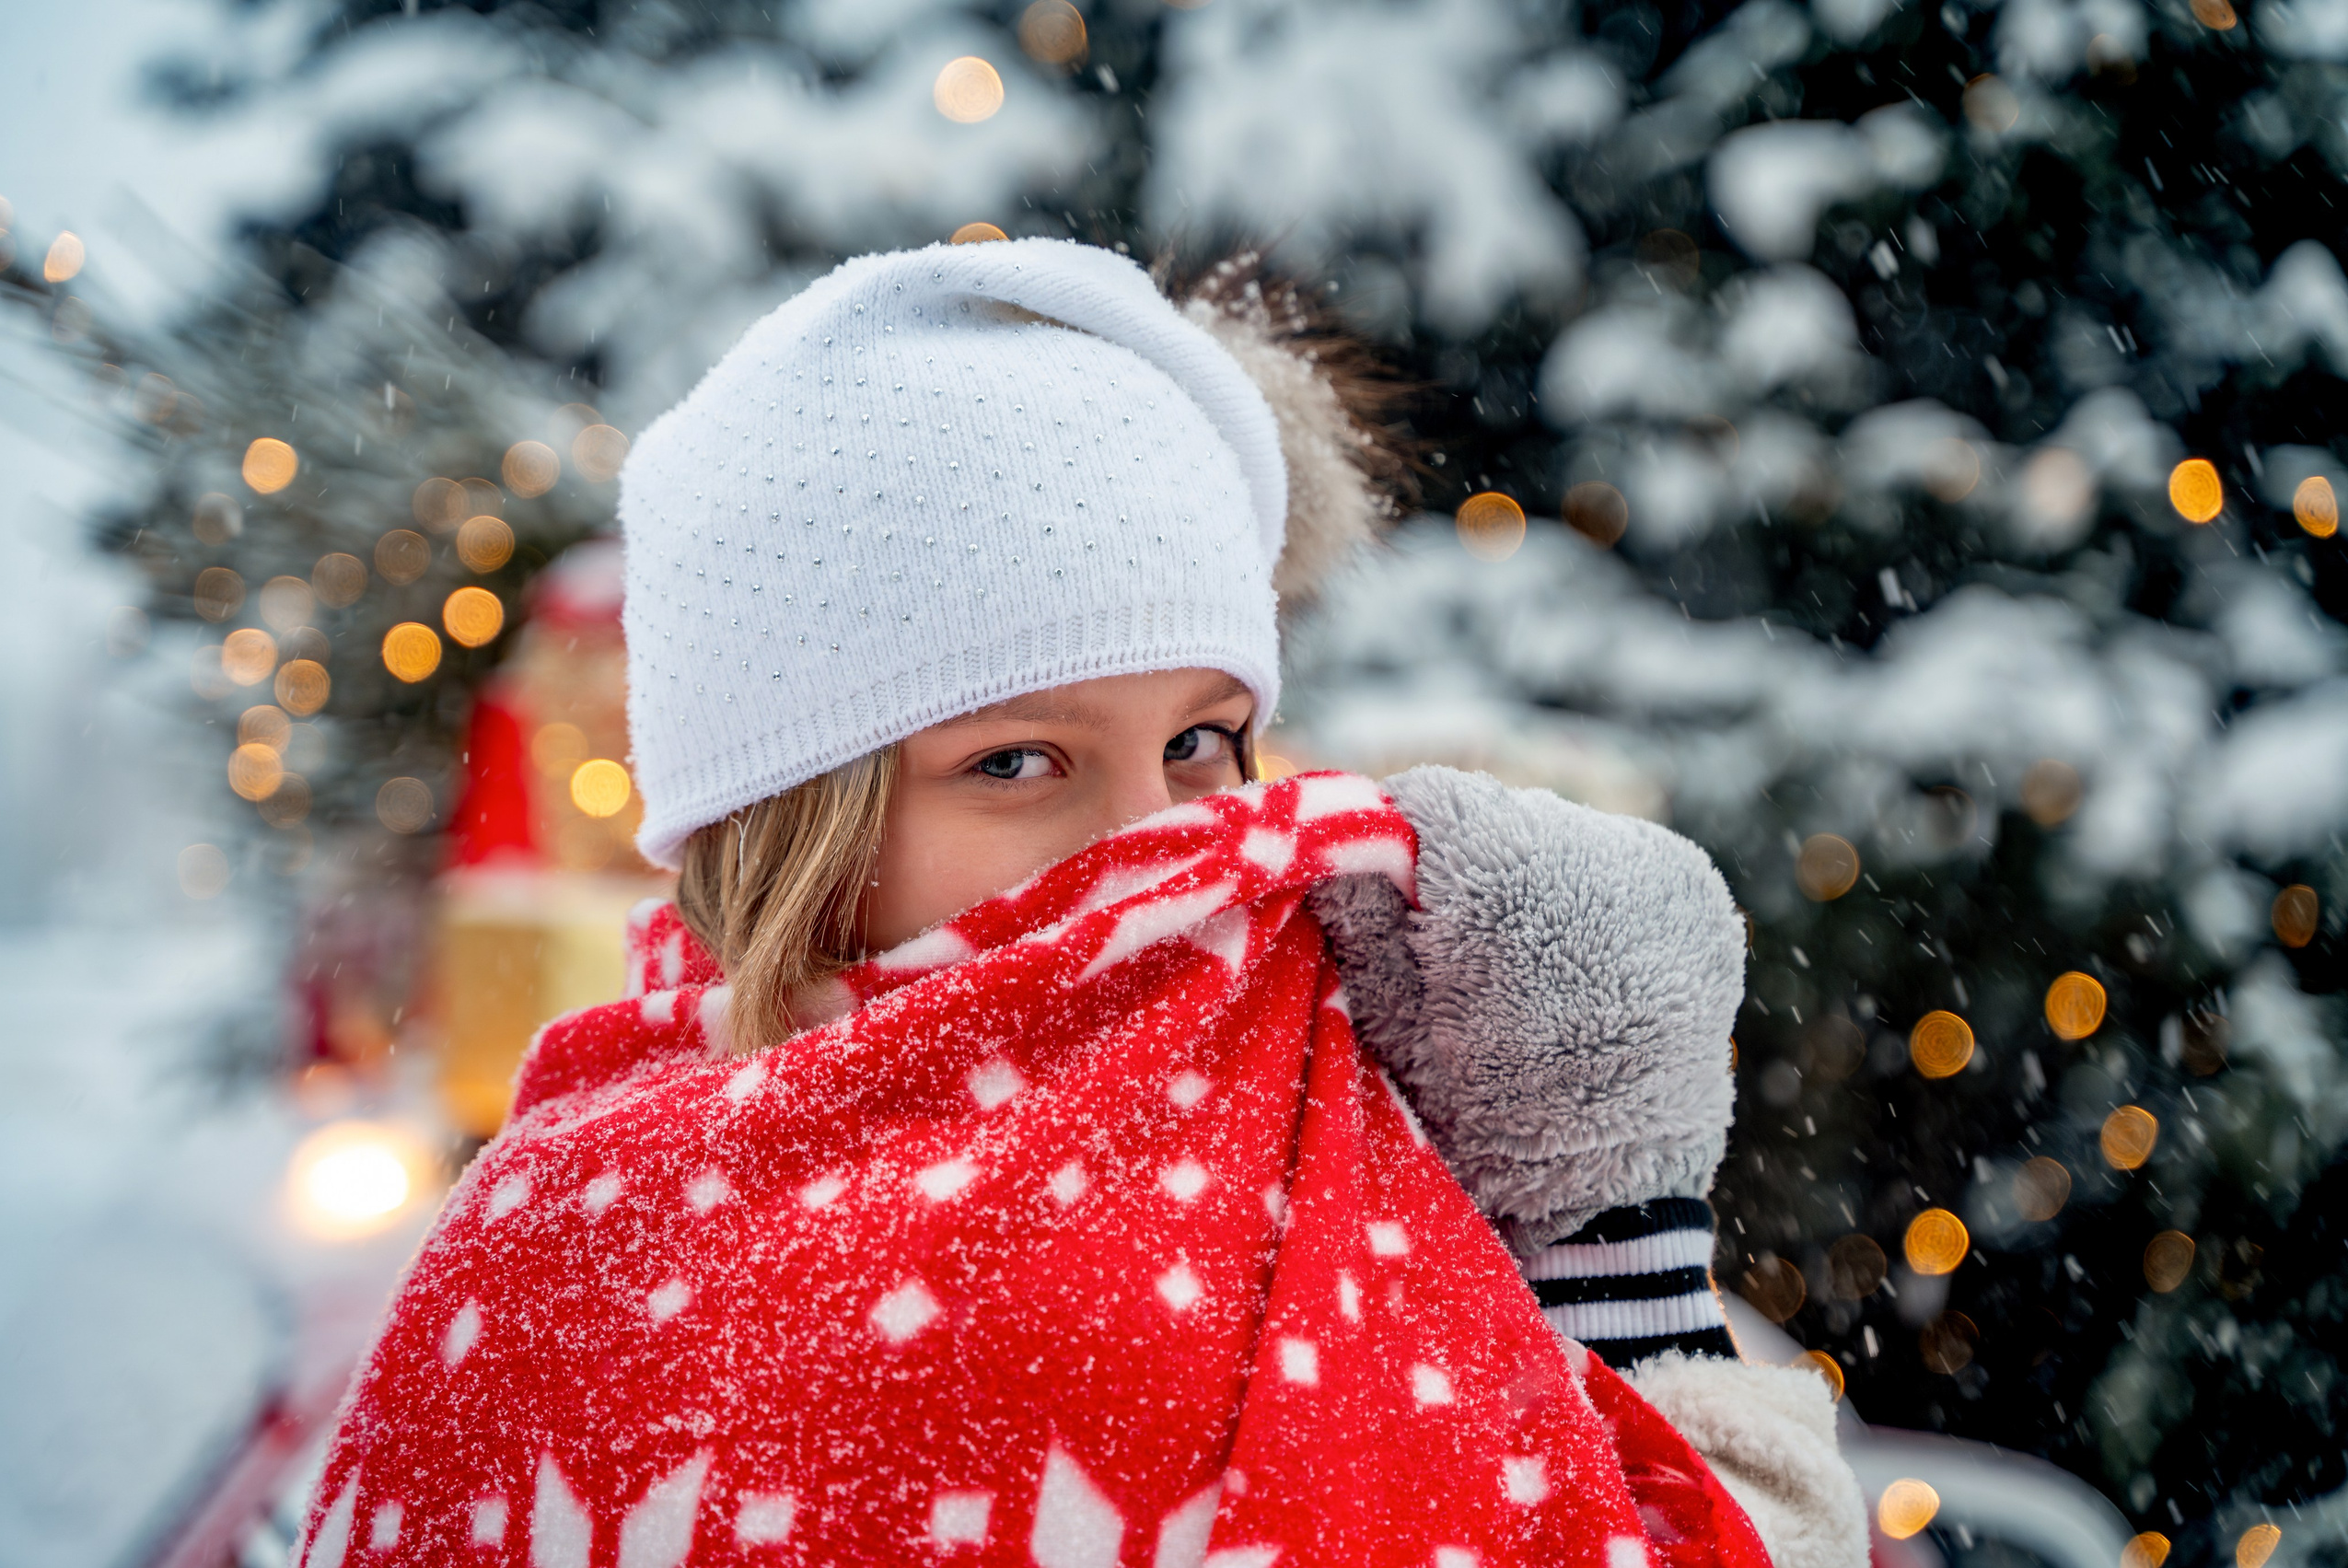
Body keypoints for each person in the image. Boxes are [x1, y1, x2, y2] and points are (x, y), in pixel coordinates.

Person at [296, 238, 1865, 1568]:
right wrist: (1618, 1263)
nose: (1157, 845)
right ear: (790, 822)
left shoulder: (1360, 1090)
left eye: (1200, 743)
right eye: (1020, 760)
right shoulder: (563, 1260)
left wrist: (1588, 1219)